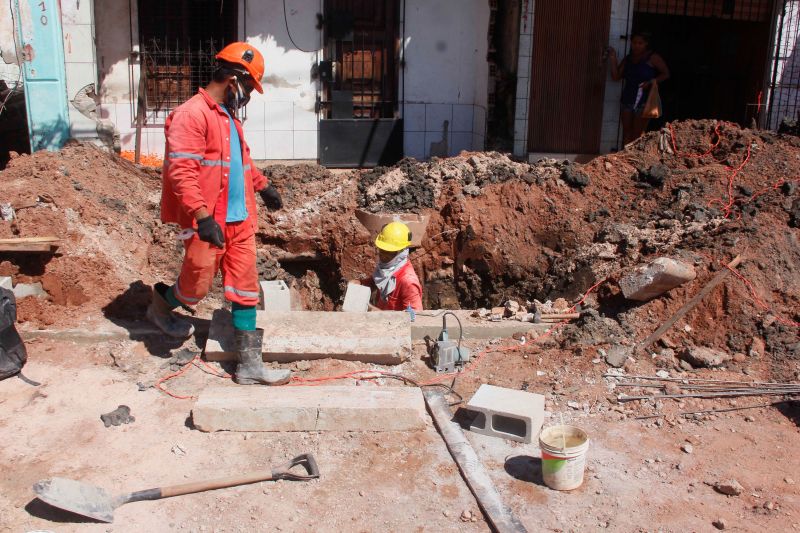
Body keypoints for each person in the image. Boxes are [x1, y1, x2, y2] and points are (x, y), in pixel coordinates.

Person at [147, 42, 290, 386]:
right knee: (194, 287)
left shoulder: (228, 118)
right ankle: (161, 305)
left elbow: (241, 163)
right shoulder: (191, 115)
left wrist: (264, 186)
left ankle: (249, 366)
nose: (249, 97)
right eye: (249, 89)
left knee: (245, 288)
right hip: (209, 222)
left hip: (240, 221)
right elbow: (182, 172)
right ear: (235, 79)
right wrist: (202, 217)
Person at [608, 32, 670, 145]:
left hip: (644, 101)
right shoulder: (628, 59)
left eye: (640, 43)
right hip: (627, 99)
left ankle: (635, 159)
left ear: (646, 44)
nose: (636, 45)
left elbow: (665, 74)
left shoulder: (652, 58)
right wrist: (612, 58)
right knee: (627, 133)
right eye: (634, 43)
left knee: (638, 134)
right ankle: (625, 158)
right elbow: (616, 76)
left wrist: (651, 81)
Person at [353, 222, 423, 311]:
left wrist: (373, 311)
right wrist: (360, 283)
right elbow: (376, 281)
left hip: (394, 324)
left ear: (401, 252)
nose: (383, 255)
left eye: (389, 251)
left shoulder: (408, 282)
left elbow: (414, 318)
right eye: (382, 249)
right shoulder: (387, 267)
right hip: (381, 322)